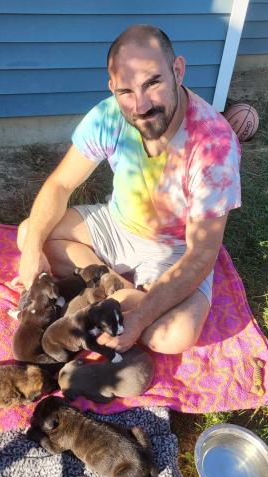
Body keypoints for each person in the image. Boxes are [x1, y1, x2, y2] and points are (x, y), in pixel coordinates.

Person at [15, 24, 241, 355]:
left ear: (177, 70)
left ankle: (117, 294)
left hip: (176, 250)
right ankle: (113, 286)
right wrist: (32, 252)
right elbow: (61, 184)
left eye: (153, 83)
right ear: (113, 88)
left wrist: (138, 321)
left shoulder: (213, 145)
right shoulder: (108, 116)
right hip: (116, 225)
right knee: (28, 234)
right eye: (126, 92)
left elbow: (201, 255)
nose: (141, 105)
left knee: (174, 337)